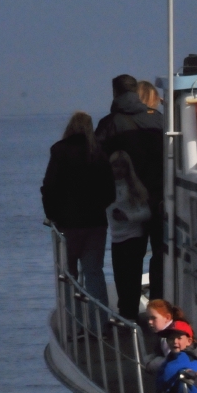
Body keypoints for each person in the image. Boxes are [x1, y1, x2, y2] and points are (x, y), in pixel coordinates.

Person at [96, 74, 165, 298]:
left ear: (115, 93)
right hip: (158, 197)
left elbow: (97, 160)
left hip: (127, 199)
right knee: (159, 254)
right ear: (135, 92)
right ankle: (158, 304)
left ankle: (128, 312)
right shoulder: (158, 119)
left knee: (127, 258)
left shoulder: (109, 123)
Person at [41, 111, 114, 305]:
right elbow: (110, 191)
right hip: (96, 222)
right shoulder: (98, 152)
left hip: (67, 223)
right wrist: (98, 207)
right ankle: (99, 322)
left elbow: (49, 187)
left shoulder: (59, 151)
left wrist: (52, 215)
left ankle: (74, 323)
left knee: (69, 274)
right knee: (94, 272)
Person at [106, 152, 151, 321]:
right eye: (115, 165)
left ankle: (130, 312)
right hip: (116, 237)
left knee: (131, 276)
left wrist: (128, 217)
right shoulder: (106, 187)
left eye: (122, 165)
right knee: (119, 276)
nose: (118, 169)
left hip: (133, 236)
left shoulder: (133, 187)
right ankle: (124, 311)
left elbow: (146, 212)